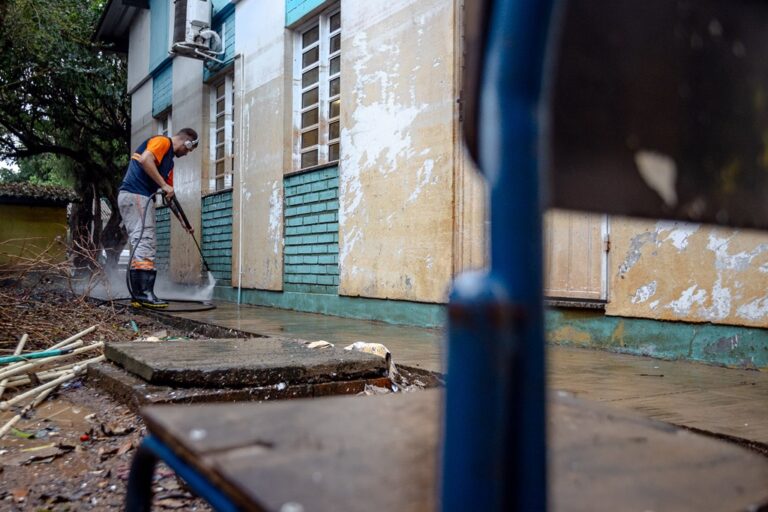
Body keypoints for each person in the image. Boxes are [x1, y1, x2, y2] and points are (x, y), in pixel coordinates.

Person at [118, 128, 198, 308]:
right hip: (136, 194)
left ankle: (139, 295)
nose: (186, 154)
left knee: (143, 241)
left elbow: (169, 196)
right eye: (188, 150)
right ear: (186, 142)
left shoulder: (169, 163)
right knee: (145, 239)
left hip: (138, 197)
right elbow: (146, 159)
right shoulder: (162, 142)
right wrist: (163, 184)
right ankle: (144, 294)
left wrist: (183, 222)